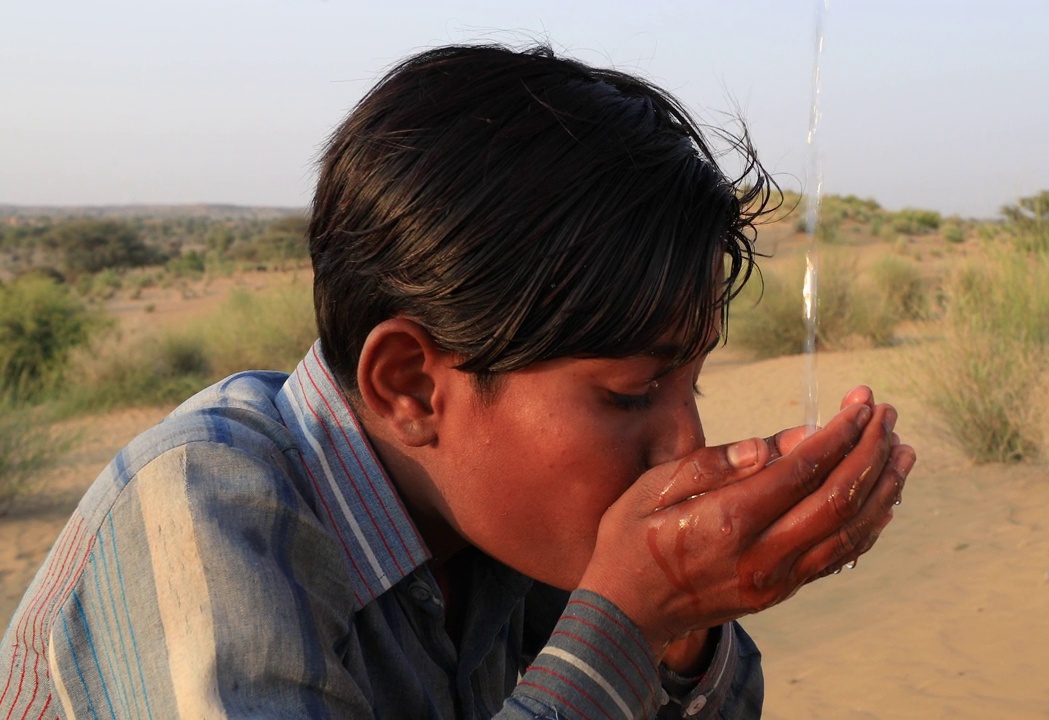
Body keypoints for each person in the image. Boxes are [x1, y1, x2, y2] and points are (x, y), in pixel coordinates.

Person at [0, 43, 914, 719]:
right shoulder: (203, 514)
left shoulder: (510, 525)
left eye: (693, 389)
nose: (684, 445)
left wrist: (684, 627)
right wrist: (626, 623)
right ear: (410, 387)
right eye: (631, 394)